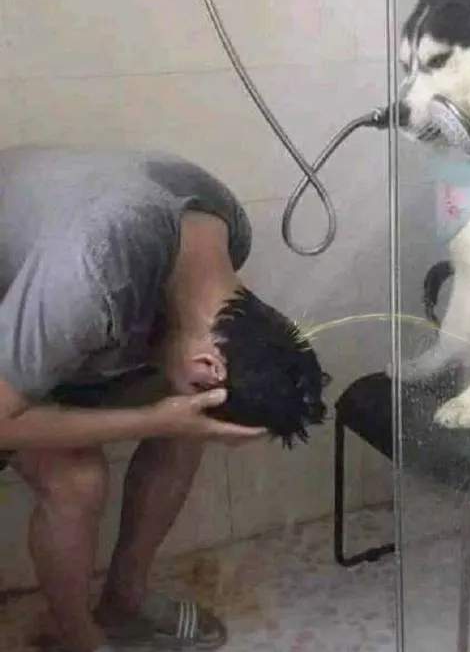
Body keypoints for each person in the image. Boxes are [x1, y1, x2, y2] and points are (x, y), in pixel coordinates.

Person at [0, 146, 328, 652]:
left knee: (188, 425)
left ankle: (124, 600)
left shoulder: (226, 231)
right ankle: (77, 637)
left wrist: (176, 421)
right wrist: (156, 418)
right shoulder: (91, 275)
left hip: (46, 284)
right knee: (77, 482)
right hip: (21, 297)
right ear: (209, 364)